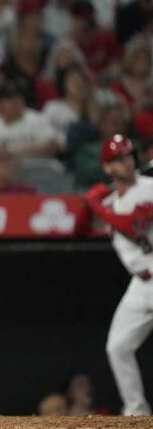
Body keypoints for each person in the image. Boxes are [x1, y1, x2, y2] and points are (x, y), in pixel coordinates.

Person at [83, 134, 153, 415]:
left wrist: (97, 205)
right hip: (140, 284)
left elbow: (134, 225)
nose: (125, 162)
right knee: (118, 347)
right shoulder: (110, 200)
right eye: (117, 159)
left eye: (127, 156)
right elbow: (80, 229)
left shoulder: (149, 187)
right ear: (107, 167)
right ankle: (136, 413)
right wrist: (87, 204)